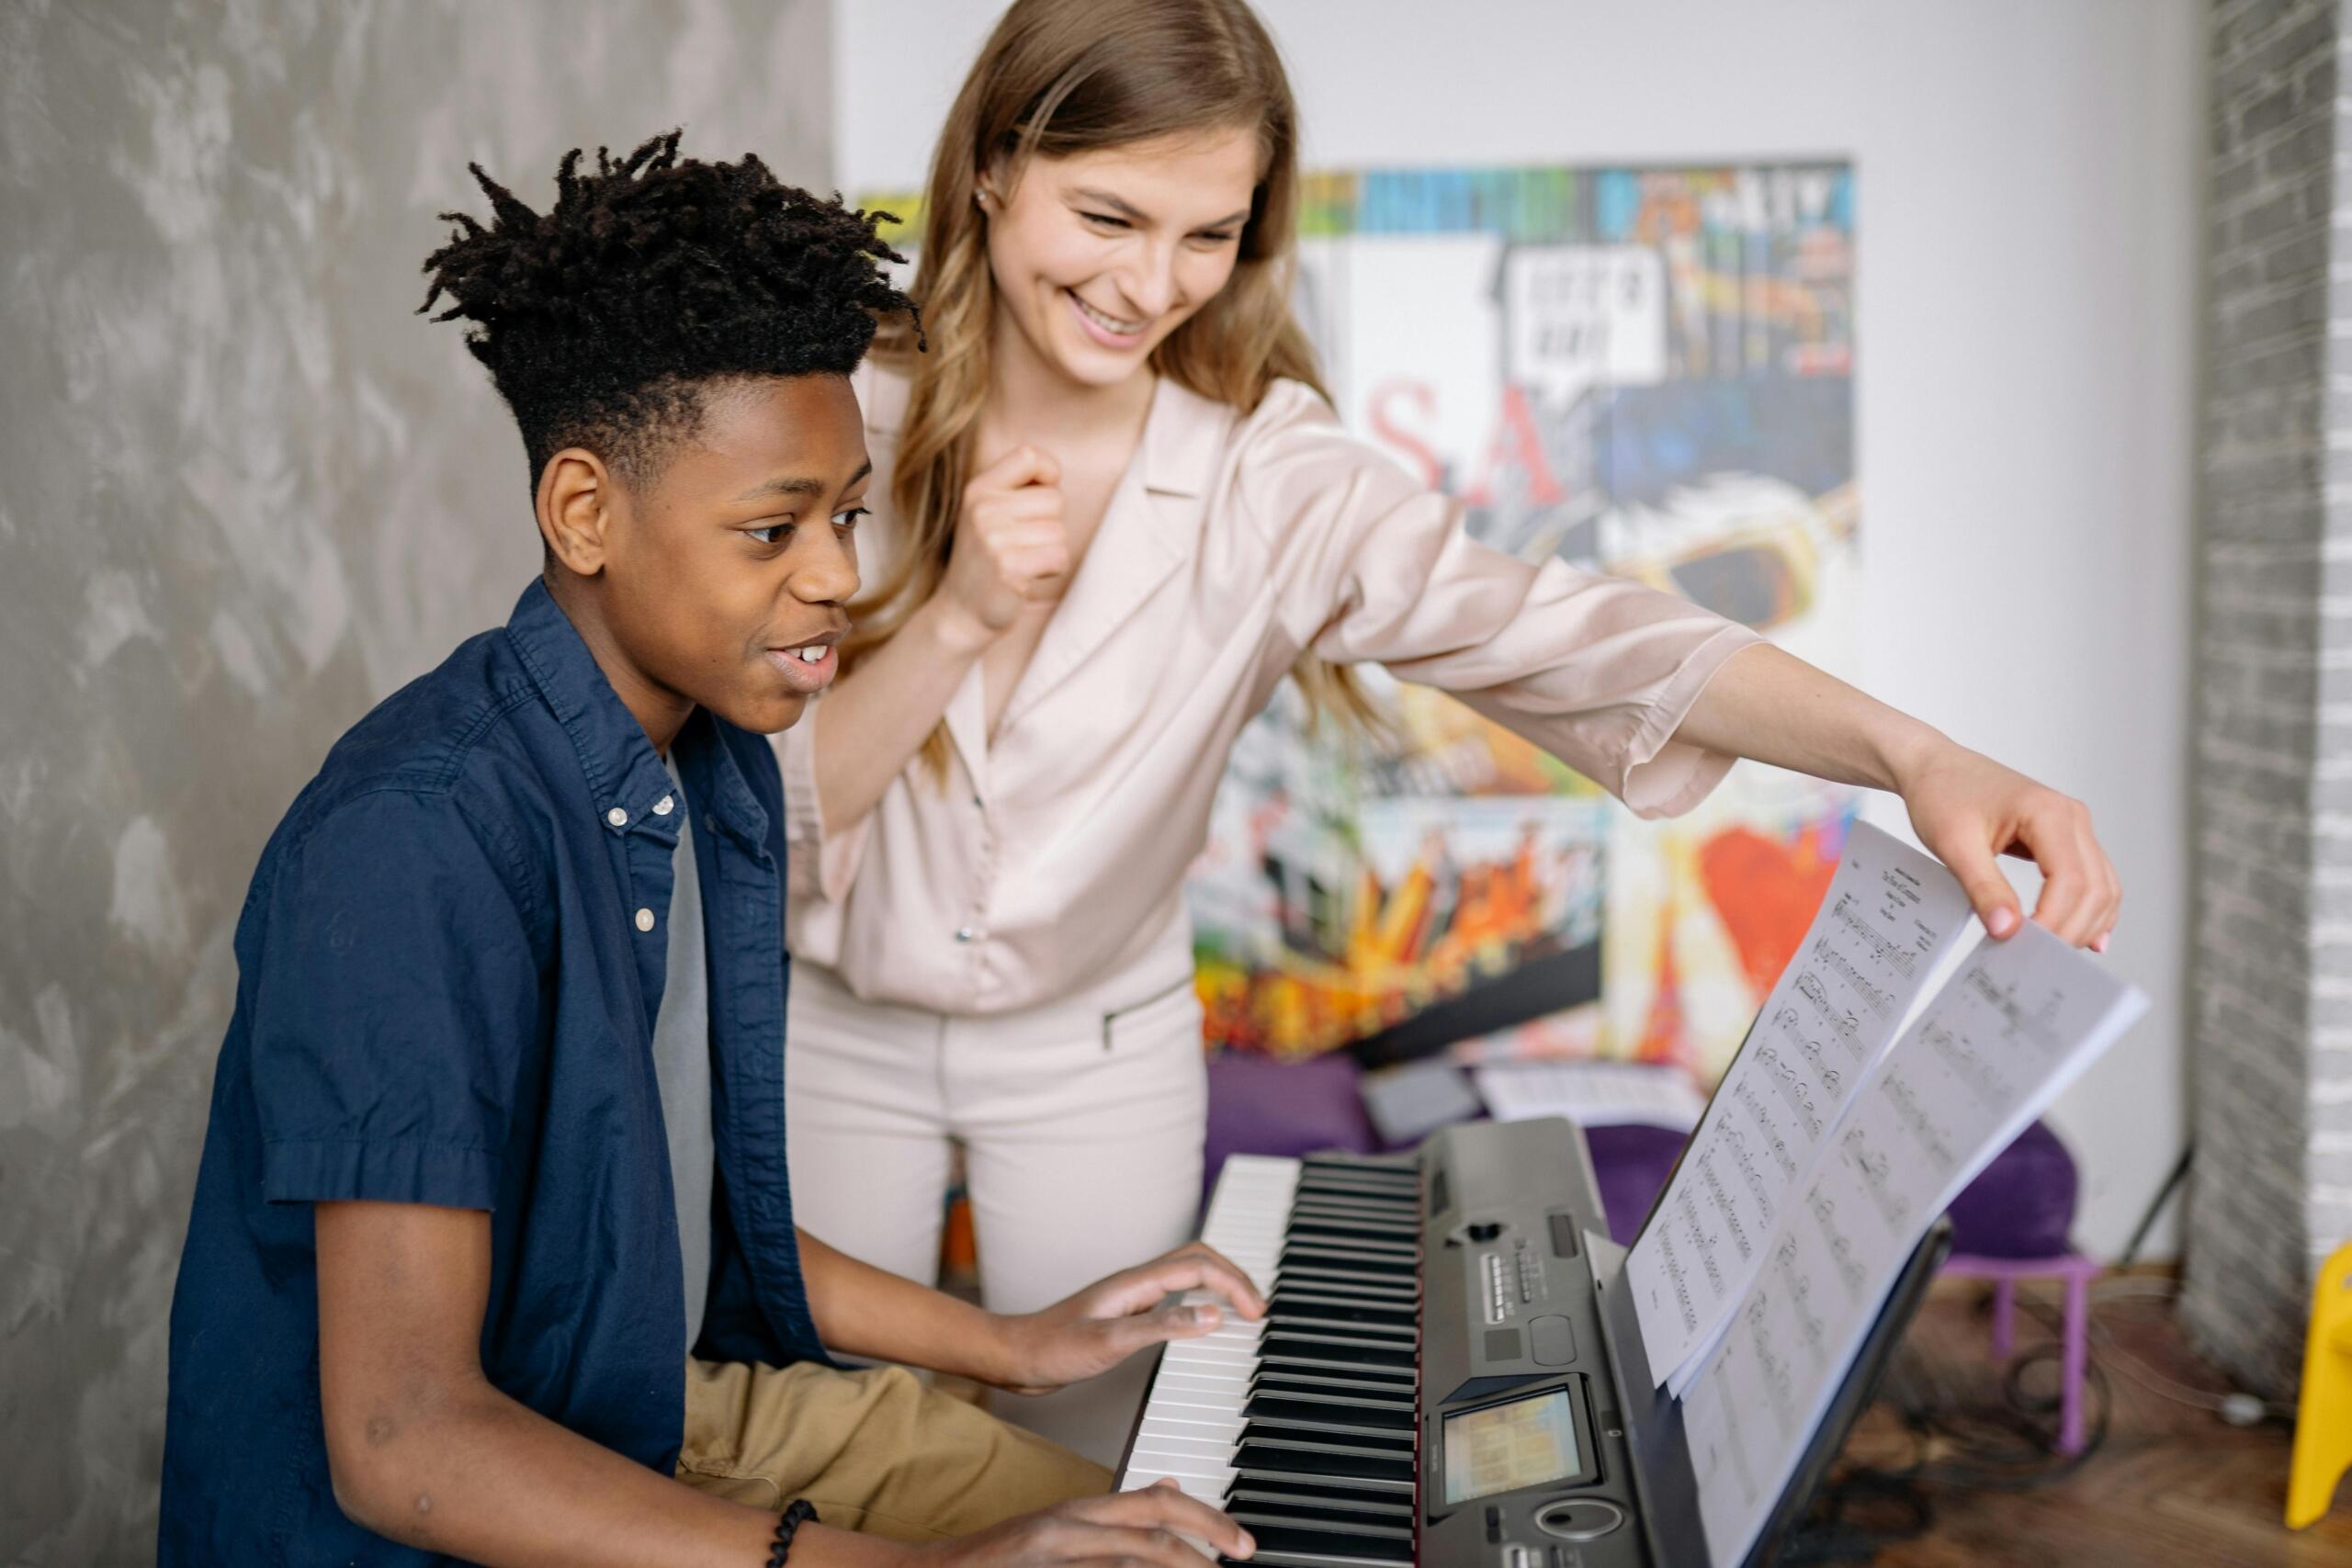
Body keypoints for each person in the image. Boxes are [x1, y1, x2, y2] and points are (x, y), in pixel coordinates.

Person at [775, 0, 2123, 1459]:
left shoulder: (1270, 479)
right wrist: (964, 614)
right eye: (1107, 213)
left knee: (1096, 1466)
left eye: (1205, 235)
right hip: (821, 1028)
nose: (1147, 282)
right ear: (991, 169)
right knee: (828, 1444)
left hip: (1097, 1056)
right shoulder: (829, 413)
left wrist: (1916, 755)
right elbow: (762, 807)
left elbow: (1578, 630)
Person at [158, 133, 1264, 1568]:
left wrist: (1015, 1341)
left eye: (847, 515)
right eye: (772, 531)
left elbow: (665, 1223)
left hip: (644, 1399)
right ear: (584, 512)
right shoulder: (413, 843)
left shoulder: (719, 768)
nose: (838, 578)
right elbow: (406, 1443)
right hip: (450, 1505)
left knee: (1150, 1538)